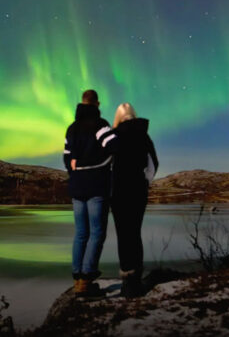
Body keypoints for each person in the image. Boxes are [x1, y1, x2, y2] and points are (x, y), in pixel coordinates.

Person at [63, 89, 116, 297]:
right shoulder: (100, 125)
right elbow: (114, 146)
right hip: (96, 184)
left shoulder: (72, 128)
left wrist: (75, 170)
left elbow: (67, 156)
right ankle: (86, 278)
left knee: (81, 233)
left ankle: (77, 276)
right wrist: (101, 164)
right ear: (97, 103)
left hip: (77, 186)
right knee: (96, 233)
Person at [109, 102, 158, 298]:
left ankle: (127, 280)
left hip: (119, 190)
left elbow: (107, 164)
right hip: (138, 190)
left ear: (118, 118)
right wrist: (144, 181)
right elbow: (153, 164)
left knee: (123, 233)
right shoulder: (144, 135)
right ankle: (136, 281)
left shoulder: (113, 136)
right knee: (135, 232)